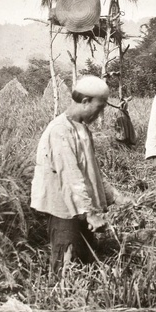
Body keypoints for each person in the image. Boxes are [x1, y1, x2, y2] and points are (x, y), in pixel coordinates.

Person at [31, 75, 117, 274]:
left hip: (80, 207)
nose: (100, 113)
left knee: (85, 261)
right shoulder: (60, 130)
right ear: (85, 101)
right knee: (66, 263)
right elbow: (70, 177)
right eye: (100, 107)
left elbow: (91, 170)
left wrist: (114, 196)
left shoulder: (82, 129)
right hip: (65, 209)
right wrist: (91, 214)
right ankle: (61, 301)